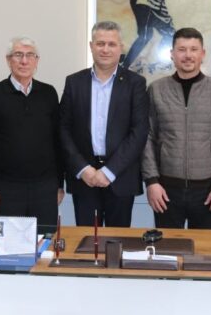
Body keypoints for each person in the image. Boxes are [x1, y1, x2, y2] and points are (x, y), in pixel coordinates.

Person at [142, 28, 211, 229]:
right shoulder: (156, 90)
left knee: (204, 248)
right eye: (182, 49)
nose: (188, 55)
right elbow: (147, 137)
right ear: (172, 54)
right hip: (165, 190)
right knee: (168, 247)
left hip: (209, 191)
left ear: (202, 54)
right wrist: (151, 182)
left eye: (194, 49)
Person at [59, 21, 148, 227]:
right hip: (85, 178)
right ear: (91, 46)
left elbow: (139, 132)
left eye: (111, 44)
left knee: (118, 241)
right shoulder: (74, 82)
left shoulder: (136, 83)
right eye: (100, 44)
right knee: (86, 240)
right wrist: (83, 168)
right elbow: (63, 129)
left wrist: (109, 171)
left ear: (121, 47)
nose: (105, 49)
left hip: (120, 177)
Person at [0, 37, 64, 225]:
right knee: (8, 242)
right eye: (18, 55)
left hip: (44, 189)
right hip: (4, 190)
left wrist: (59, 185)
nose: (24, 61)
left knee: (45, 239)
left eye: (30, 55)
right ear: (8, 60)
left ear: (37, 61)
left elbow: (57, 142)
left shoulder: (49, 93)